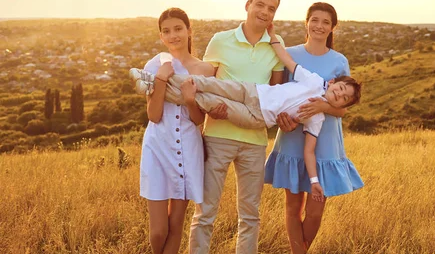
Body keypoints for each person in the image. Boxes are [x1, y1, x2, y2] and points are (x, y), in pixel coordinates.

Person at [130, 28, 362, 202]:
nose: (338, 95)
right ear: (332, 82)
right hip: (255, 91)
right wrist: (273, 37)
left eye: (343, 99)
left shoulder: (317, 118)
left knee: (208, 100)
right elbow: (288, 61)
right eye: (340, 89)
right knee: (208, 84)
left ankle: (155, 86)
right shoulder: (313, 80)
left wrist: (314, 182)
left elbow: (309, 151)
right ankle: (156, 80)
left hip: (256, 117)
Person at [184, 0, 286, 254]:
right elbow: (205, 85)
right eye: (260, 5)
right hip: (217, 136)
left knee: (250, 214)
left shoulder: (275, 48)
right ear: (247, 4)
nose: (264, 12)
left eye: (271, 9)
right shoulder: (220, 41)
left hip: (255, 140)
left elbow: (275, 96)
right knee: (205, 213)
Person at [264, 2, 364, 254]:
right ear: (306, 22)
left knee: (316, 210)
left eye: (325, 22)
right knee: (292, 206)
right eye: (314, 20)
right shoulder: (291, 55)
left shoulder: (339, 60)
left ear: (333, 27)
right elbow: (278, 95)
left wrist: (322, 104)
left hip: (326, 142)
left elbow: (343, 108)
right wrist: (282, 120)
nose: (319, 26)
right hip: (292, 140)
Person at [138, 7, 215, 254]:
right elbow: (154, 115)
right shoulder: (153, 65)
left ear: (189, 30)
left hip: (188, 149)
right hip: (158, 149)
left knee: (176, 224)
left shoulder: (204, 69)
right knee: (158, 231)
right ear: (161, 36)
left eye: (178, 28)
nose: (173, 35)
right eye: (167, 31)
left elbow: (198, 120)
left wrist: (190, 99)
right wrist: (160, 79)